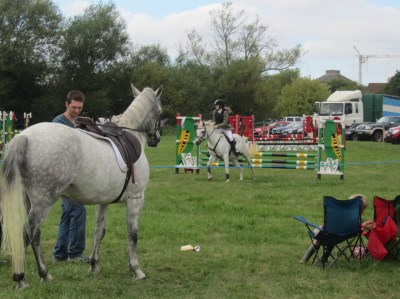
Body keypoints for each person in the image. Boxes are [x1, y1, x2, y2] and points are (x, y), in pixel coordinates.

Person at [53, 90, 89, 262]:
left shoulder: (80, 122)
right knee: (78, 211)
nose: (76, 111)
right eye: (73, 107)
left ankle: (59, 254)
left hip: (77, 175)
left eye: (79, 107)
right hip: (64, 176)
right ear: (66, 104)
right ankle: (75, 253)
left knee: (67, 215)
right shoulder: (58, 123)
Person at [300, 194, 373, 263]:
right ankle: (323, 259)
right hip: (337, 236)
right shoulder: (356, 219)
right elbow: (356, 228)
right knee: (333, 238)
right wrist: (364, 226)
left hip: (325, 233)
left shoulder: (340, 213)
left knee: (321, 238)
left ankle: (305, 258)